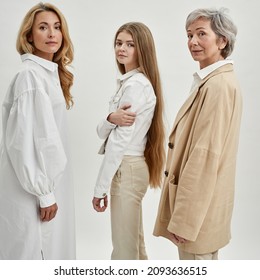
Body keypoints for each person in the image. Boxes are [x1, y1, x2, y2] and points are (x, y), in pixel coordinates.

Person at [153, 8, 242, 260]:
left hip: (197, 214)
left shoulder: (217, 86)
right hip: (205, 209)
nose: (192, 42)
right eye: (189, 34)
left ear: (222, 40)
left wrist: (185, 219)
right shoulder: (214, 81)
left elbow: (204, 156)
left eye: (201, 34)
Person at [0, 2, 75, 259]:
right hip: (32, 190)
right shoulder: (30, 77)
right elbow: (26, 142)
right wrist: (44, 193)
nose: (52, 34)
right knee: (31, 256)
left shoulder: (47, 75)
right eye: (43, 27)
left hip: (46, 186)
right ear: (29, 36)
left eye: (57, 27)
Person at [92, 22, 165, 260]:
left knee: (124, 252)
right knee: (135, 247)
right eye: (119, 43)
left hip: (127, 168)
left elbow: (117, 143)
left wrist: (100, 188)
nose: (121, 48)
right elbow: (101, 132)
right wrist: (110, 118)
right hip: (132, 168)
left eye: (130, 44)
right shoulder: (134, 82)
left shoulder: (134, 86)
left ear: (142, 48)